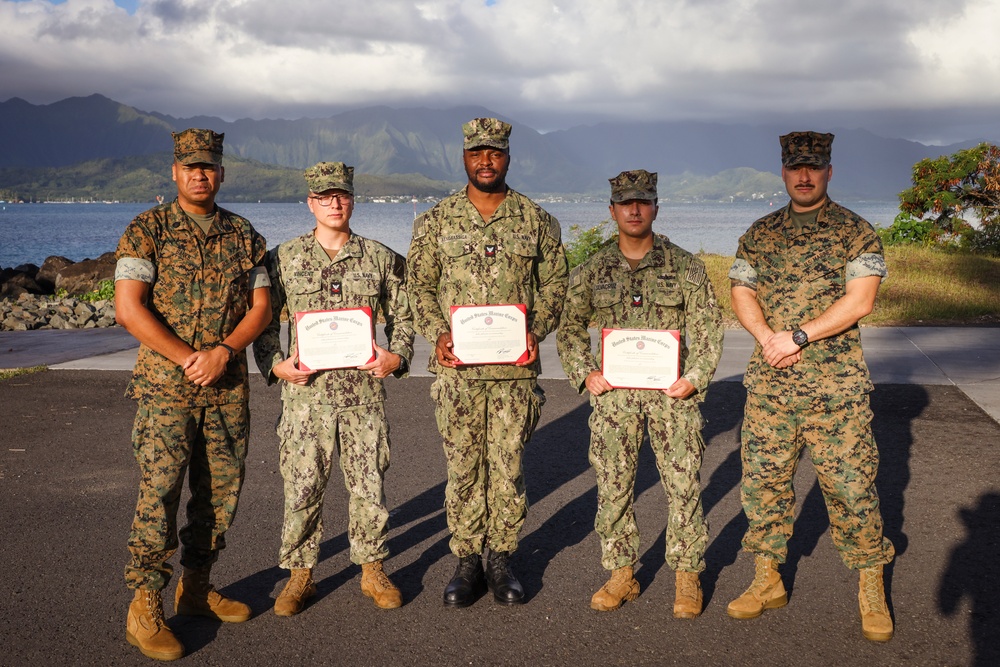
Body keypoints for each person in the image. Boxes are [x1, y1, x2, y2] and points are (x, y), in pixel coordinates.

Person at [726, 131, 895, 641]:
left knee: (852, 489)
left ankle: (871, 587)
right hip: (772, 389)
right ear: (782, 171)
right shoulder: (760, 232)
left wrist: (798, 335)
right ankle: (766, 578)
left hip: (834, 390)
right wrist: (766, 338)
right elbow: (741, 289)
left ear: (828, 171)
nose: (804, 175)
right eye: (795, 167)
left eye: (814, 167)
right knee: (764, 486)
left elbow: (860, 300)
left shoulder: (855, 232)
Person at [115, 128, 271, 661]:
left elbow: (260, 308)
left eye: (208, 166)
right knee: (158, 493)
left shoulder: (244, 234)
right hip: (167, 388)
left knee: (219, 494)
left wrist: (224, 351)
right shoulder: (147, 229)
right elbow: (129, 308)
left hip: (226, 388)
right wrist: (188, 357)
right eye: (190, 167)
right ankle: (144, 606)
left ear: (222, 173)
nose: (199, 174)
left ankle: (197, 589)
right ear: (175, 173)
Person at [406, 117, 568, 606]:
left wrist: (536, 329)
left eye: (494, 152)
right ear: (464, 157)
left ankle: (501, 558)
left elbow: (556, 284)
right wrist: (436, 333)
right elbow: (419, 286)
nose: (485, 161)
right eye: (477, 152)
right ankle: (466, 560)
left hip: (513, 372)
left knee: (507, 465)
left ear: (507, 158)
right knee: (462, 467)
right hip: (458, 373)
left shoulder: (536, 220)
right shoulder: (435, 221)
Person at [556, 170, 723, 615]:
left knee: (683, 485)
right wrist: (584, 372)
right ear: (611, 210)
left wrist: (696, 376)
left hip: (673, 396)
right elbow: (569, 328)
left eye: (643, 201)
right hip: (614, 399)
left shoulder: (685, 266)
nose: (634, 209)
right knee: (613, 485)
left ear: (655, 207)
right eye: (625, 202)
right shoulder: (592, 270)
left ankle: (687, 576)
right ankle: (621, 574)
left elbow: (708, 329)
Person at [253, 161, 414, 615]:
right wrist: (274, 364)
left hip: (362, 397)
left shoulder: (380, 257)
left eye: (341, 195)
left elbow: (405, 315)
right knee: (302, 489)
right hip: (306, 400)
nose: (334, 203)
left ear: (352, 200)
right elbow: (262, 319)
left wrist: (396, 355)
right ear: (311, 203)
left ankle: (372, 569)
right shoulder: (283, 260)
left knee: (369, 487)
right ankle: (300, 576)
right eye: (324, 197)